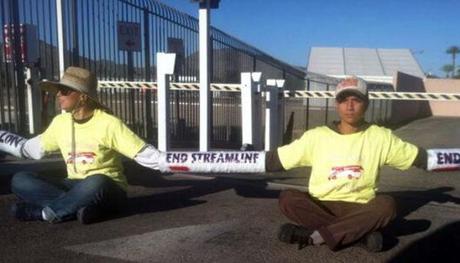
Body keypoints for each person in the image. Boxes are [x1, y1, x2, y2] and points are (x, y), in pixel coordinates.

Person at [262, 76, 432, 252]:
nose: (349, 106)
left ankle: (314, 235)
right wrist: (234, 160)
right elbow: (276, 160)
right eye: (344, 100)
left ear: (366, 104)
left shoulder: (380, 137)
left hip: (360, 209)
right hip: (320, 204)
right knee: (287, 198)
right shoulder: (316, 136)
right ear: (337, 104)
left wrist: (451, 159)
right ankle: (358, 236)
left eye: (356, 100)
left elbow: (418, 157)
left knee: (387, 205)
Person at [0, 66, 161, 224]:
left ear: (83, 96)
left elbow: (144, 153)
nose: (58, 95)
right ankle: (76, 207)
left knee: (96, 181)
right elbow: (31, 150)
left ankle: (45, 213)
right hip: (74, 185)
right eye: (58, 90)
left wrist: (180, 162)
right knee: (20, 179)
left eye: (64, 90)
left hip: (108, 187)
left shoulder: (108, 123)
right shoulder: (60, 123)